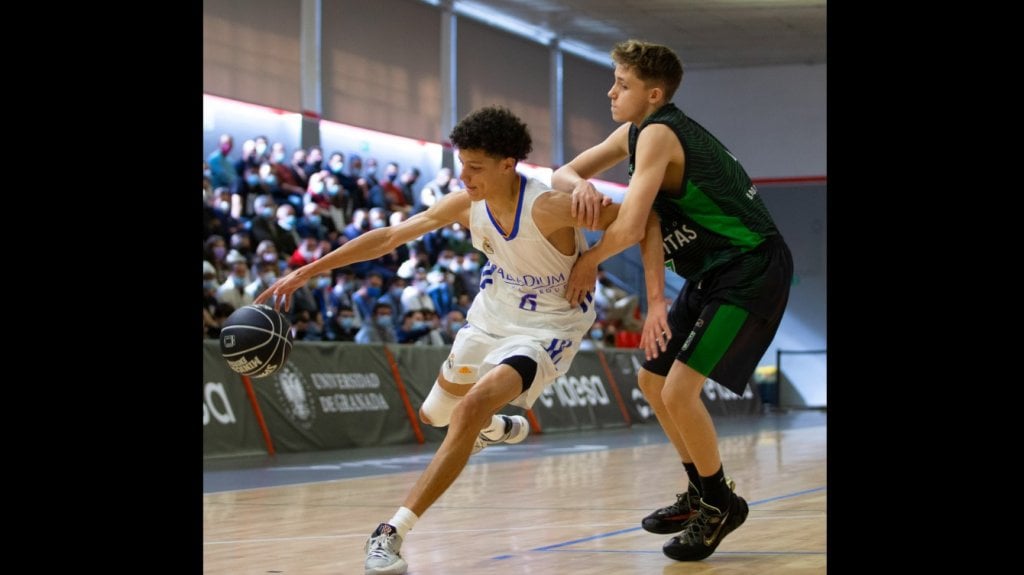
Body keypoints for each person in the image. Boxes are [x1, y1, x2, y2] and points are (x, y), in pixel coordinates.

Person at [255, 105, 663, 575]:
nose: (463, 176)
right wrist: (309, 269)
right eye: (460, 164)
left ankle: (391, 532)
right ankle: (494, 428)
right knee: (436, 416)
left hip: (547, 328)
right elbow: (390, 236)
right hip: (488, 319)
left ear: (508, 164)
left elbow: (644, 219)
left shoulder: (548, 206)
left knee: (468, 410)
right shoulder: (465, 204)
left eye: (475, 167)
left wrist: (600, 264)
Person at [552, 39, 793, 562]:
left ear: (654, 94)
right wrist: (584, 191)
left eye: (623, 84)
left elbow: (635, 223)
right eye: (614, 80)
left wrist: (589, 261)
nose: (611, 91)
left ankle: (719, 503)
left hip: (751, 266)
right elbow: (566, 176)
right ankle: (702, 492)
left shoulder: (660, 133)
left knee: (680, 390)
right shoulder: (636, 133)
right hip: (710, 271)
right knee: (651, 379)